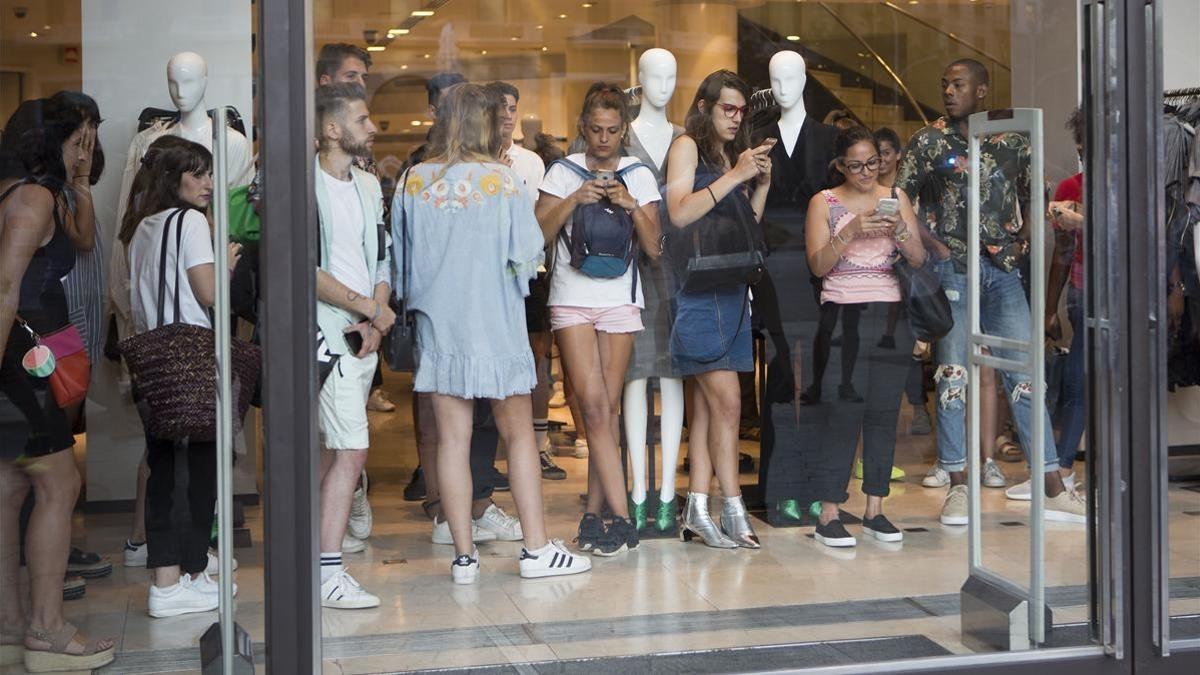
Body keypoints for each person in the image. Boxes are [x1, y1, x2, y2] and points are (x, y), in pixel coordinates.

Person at [398, 82, 591, 582]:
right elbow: (528, 257)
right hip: (496, 323)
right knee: (520, 437)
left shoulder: (413, 181)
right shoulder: (501, 181)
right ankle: (535, 549)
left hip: (440, 328)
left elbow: (402, 259)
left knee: (452, 443)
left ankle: (464, 557)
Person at [894, 58, 1086, 525]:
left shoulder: (1012, 141)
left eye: (958, 84)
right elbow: (900, 197)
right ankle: (958, 484)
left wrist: (1021, 243)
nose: (948, 90)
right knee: (953, 374)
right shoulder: (927, 141)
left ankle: (1051, 484)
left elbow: (1032, 197)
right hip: (953, 270)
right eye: (944, 84)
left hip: (1003, 270)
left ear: (982, 90)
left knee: (1025, 373)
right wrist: (934, 247)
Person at [0, 97, 115, 672]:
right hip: (29, 360)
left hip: (27, 355)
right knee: (58, 485)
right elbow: (6, 288)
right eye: (75, 139)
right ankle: (45, 630)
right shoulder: (34, 196)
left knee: (10, 487)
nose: (84, 149)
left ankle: (10, 625)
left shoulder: (12, 191)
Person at [535, 82, 663, 556]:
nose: (604, 139)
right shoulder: (562, 172)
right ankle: (625, 517)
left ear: (622, 129)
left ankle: (593, 516)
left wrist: (630, 204)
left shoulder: (639, 175)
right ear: (582, 127)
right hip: (571, 297)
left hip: (621, 300)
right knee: (591, 409)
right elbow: (537, 235)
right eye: (595, 129)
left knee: (604, 411)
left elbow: (653, 248)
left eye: (612, 130)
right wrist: (576, 199)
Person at [120, 136, 242, 619]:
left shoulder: (143, 226)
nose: (208, 182)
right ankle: (179, 578)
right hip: (189, 359)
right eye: (198, 173)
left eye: (209, 172)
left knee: (165, 467)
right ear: (173, 179)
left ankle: (171, 577)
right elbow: (209, 293)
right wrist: (226, 263)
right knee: (196, 470)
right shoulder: (189, 221)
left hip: (154, 361)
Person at [802, 126, 926, 547]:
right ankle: (829, 512)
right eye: (855, 165)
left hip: (892, 313)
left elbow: (918, 257)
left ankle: (875, 509)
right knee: (841, 410)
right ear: (840, 165)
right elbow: (818, 265)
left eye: (873, 162)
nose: (866, 172)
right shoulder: (824, 202)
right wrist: (851, 230)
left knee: (883, 413)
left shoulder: (897, 198)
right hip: (842, 313)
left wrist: (899, 231)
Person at [663, 70, 771, 549]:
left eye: (742, 110)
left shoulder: (731, 154)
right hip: (698, 292)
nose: (736, 117)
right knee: (728, 404)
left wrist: (759, 184)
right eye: (728, 108)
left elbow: (744, 228)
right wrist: (736, 175)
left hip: (731, 288)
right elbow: (680, 212)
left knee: (709, 411)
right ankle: (734, 508)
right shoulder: (686, 145)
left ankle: (697, 512)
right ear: (705, 105)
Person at [313, 83, 393, 608]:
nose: (373, 128)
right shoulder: (303, 185)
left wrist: (378, 320)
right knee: (351, 450)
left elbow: (381, 257)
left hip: (364, 336)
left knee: (335, 453)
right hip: (327, 334)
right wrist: (366, 309)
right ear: (332, 129)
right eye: (362, 120)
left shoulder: (367, 185)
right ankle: (327, 571)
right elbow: (303, 268)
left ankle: (315, 559)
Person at [483, 81, 563, 480]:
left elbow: (538, 221)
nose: (508, 114)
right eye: (501, 107)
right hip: (487, 274)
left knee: (536, 359)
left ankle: (540, 443)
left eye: (513, 107)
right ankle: (492, 447)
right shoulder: (476, 159)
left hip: (531, 271)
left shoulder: (531, 162)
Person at [1011, 107, 1086, 499]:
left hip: (1124, 296)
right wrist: (1048, 309)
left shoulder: (1130, 184)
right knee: (1076, 379)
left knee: (1093, 381)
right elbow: (1062, 251)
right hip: (1082, 292)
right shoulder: (1070, 188)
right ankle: (1062, 469)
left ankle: (1063, 469)